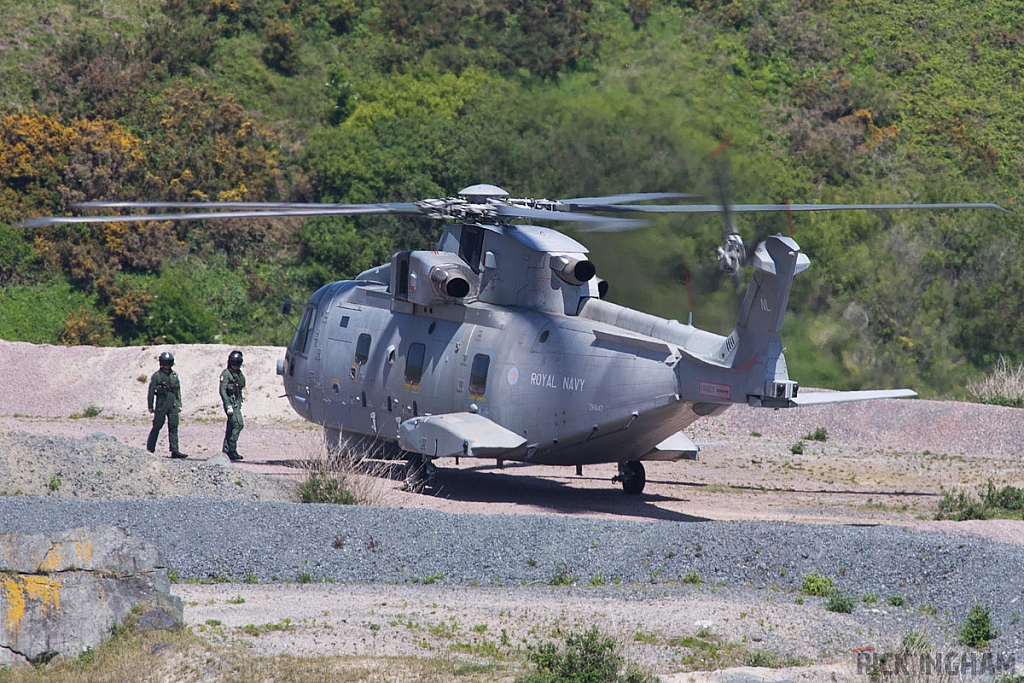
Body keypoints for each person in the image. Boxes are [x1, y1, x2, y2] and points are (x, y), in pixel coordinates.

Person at [147, 351, 187, 459]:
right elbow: (151, 391)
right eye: (165, 363)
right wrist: (150, 405)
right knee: (157, 426)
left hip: (172, 402)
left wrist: (179, 403)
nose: (166, 366)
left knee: (173, 426)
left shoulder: (174, 375)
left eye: (169, 363)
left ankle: (175, 450)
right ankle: (150, 449)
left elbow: (177, 390)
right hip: (161, 402)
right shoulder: (156, 376)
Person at [220, 349, 246, 461]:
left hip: (237, 403)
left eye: (237, 364)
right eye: (233, 364)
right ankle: (232, 449)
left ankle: (226, 450)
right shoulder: (226, 374)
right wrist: (227, 405)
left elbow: (242, 383)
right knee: (238, 424)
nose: (235, 366)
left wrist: (238, 374)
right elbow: (222, 390)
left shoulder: (238, 374)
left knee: (231, 426)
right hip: (231, 403)